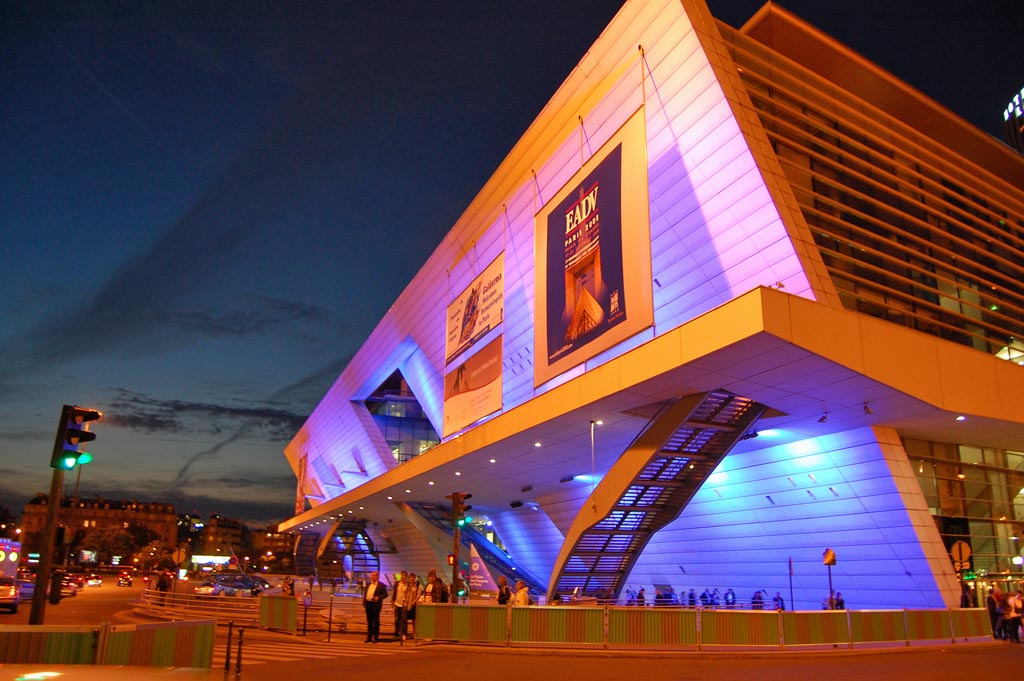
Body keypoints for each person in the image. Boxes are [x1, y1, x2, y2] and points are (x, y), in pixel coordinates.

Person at [363, 571, 388, 643]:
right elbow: (366, 593)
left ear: (377, 576)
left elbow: (385, 594)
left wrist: (378, 597)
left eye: (374, 575)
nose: (372, 577)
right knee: (369, 621)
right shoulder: (368, 584)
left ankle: (375, 637)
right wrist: (364, 602)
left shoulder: (381, 585)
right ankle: (369, 636)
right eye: (372, 575)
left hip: (375, 605)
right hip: (368, 604)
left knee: (376, 621)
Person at [401, 573, 421, 640]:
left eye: (413, 577)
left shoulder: (417, 585)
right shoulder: (407, 585)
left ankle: (415, 632)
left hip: (413, 605)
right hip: (406, 605)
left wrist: (414, 602)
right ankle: (404, 634)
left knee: (414, 620)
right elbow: (404, 593)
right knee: (404, 619)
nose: (412, 579)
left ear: (415, 578)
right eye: (410, 577)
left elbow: (418, 595)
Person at [392, 571, 408, 638]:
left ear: (406, 576)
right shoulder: (397, 584)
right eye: (402, 575)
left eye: (404, 575)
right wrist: (393, 600)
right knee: (396, 619)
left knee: (404, 619)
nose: (403, 576)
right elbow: (394, 592)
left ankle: (404, 633)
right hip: (397, 603)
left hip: (404, 604)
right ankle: (396, 632)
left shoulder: (408, 584)